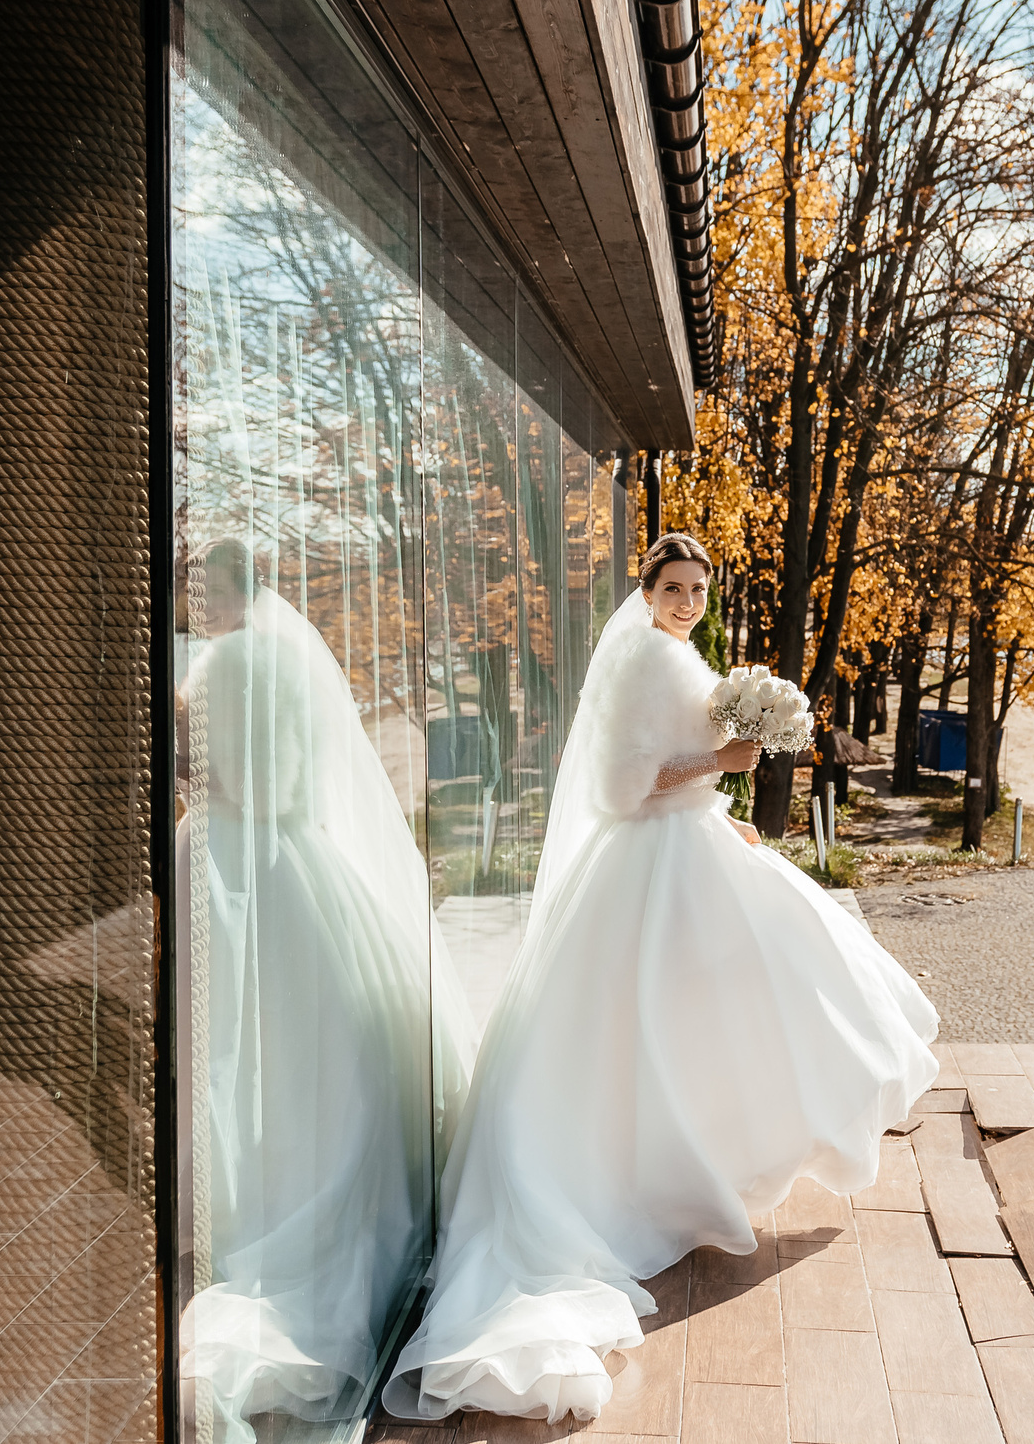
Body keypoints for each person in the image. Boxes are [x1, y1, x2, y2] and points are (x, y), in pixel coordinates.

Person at [382, 534, 940, 1422]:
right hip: (650, 865)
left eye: (697, 588)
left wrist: (725, 805)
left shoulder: (675, 652)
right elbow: (620, 785)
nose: (686, 600)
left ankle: (709, 1150)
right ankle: (674, 1168)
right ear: (645, 591)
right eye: (672, 586)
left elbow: (672, 768)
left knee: (738, 994)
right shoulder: (646, 655)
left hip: (693, 845)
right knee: (688, 1009)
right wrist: (722, 765)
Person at [177, 539, 477, 1440]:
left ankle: (227, 1198)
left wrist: (192, 767)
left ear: (233, 593)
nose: (196, 603)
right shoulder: (289, 655)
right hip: (299, 855)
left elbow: (220, 777)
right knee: (302, 1039)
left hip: (232, 855)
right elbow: (298, 776)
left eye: (205, 588)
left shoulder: (226, 662)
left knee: (228, 1031)